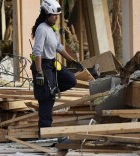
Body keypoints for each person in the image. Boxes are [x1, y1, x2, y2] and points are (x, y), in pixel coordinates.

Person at [30, 0, 83, 139]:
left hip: (52, 63)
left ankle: (53, 89)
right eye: (54, 15)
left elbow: (59, 47)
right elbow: (37, 52)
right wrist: (39, 72)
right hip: (43, 64)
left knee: (71, 80)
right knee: (47, 99)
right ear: (47, 14)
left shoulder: (52, 28)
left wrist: (72, 61)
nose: (56, 18)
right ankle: (44, 134)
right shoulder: (41, 29)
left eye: (57, 15)